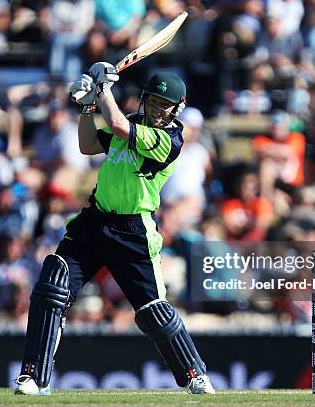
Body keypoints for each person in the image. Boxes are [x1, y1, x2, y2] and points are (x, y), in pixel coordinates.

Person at [14, 65, 215, 395]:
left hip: (134, 231)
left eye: (163, 105)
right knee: (53, 285)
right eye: (151, 102)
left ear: (177, 108)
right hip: (95, 221)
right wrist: (87, 108)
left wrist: (102, 90)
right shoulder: (134, 124)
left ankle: (194, 373)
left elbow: (119, 126)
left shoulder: (170, 140)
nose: (156, 109)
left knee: (154, 314)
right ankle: (35, 377)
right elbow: (88, 144)